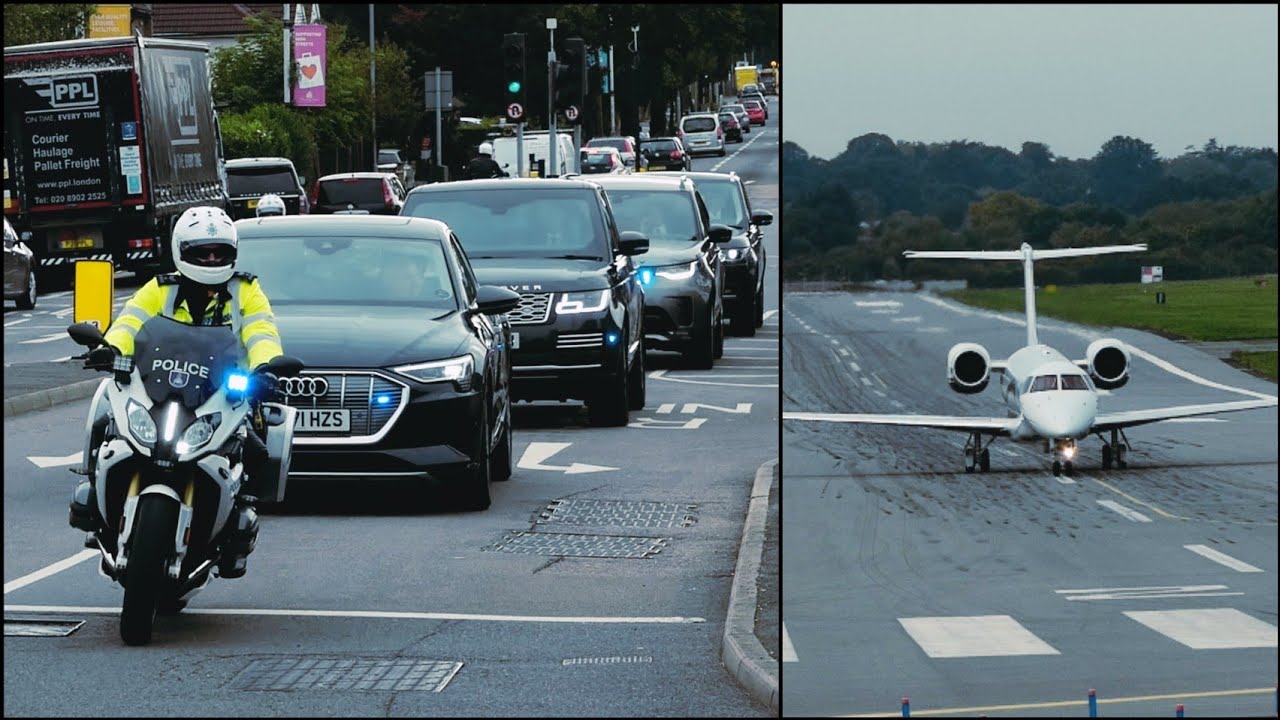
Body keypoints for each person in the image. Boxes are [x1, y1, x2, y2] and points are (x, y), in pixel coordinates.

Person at [72, 206, 284, 579]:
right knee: (106, 416)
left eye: (220, 252)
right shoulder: (160, 288)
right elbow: (130, 321)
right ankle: (94, 503)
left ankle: (238, 531)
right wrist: (111, 349)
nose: (212, 259)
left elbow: (261, 331)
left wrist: (266, 367)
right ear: (181, 251)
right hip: (161, 386)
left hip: (223, 392)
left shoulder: (246, 291)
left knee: (257, 450)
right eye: (203, 252)